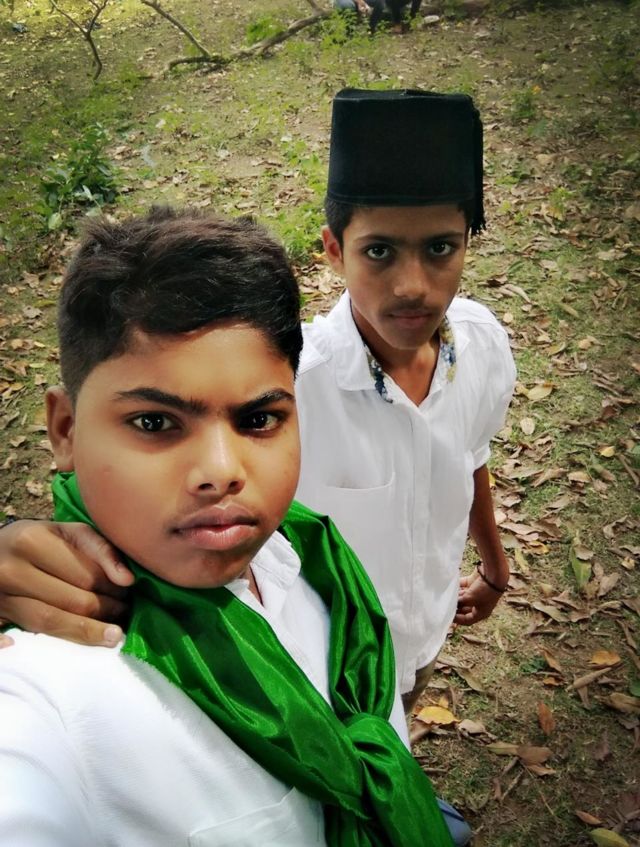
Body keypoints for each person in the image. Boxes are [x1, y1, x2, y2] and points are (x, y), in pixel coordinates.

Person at [0, 90, 514, 714]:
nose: (412, 286)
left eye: (440, 248)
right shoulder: (287, 387)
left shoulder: (483, 346)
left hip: (426, 626)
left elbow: (471, 457)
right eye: (379, 251)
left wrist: (494, 565)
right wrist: (22, 549)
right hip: (316, 664)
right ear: (334, 249)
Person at [0, 207, 454, 846]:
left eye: (259, 420)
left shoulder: (308, 554)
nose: (221, 472)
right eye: (155, 423)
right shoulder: (48, 693)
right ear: (66, 430)